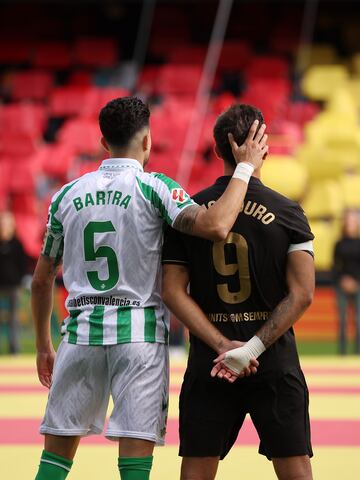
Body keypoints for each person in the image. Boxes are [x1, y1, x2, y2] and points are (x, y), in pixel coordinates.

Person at [31, 96, 268, 480]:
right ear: (147, 141)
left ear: (103, 142)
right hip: (137, 338)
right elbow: (216, 226)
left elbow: (42, 280)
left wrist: (44, 345)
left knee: (54, 464)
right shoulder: (154, 187)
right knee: (135, 468)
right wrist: (244, 168)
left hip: (79, 336)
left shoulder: (66, 195)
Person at [162, 104, 315, 480]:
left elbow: (172, 290)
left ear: (217, 151)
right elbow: (303, 295)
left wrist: (221, 346)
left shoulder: (188, 211)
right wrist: (251, 349)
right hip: (274, 360)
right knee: (295, 469)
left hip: (209, 362)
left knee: (196, 471)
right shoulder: (288, 211)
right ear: (264, 147)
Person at [0, 210, 28, 354]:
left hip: (14, 287)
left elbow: (23, 265)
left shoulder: (17, 244)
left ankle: (14, 349)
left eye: (7, 223)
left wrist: (21, 281)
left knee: (14, 319)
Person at [333, 210, 360, 354]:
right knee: (342, 320)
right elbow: (336, 266)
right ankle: (342, 353)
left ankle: (357, 353)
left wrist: (355, 281)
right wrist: (343, 280)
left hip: (358, 285)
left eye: (352, 221)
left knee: (358, 320)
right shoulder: (339, 244)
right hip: (341, 285)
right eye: (348, 221)